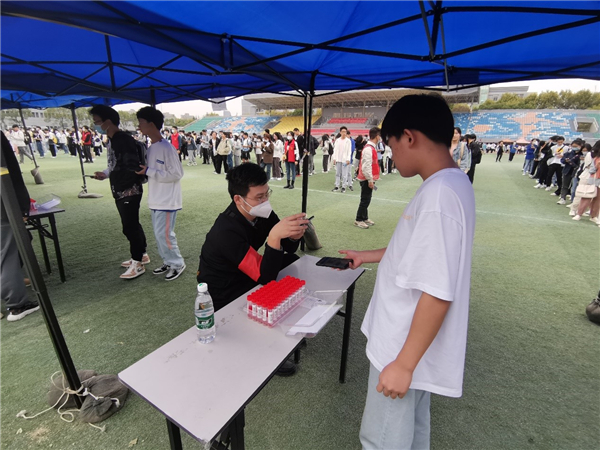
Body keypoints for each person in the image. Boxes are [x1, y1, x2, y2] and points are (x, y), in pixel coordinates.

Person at [339, 94, 475, 450]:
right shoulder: (450, 183)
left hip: (402, 344)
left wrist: (403, 363)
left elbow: (437, 289)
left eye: (391, 144)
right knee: (411, 434)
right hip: (410, 344)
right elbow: (418, 254)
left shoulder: (439, 196)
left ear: (409, 137)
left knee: (382, 439)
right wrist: (367, 255)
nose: (391, 153)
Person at [90, 105, 150, 279]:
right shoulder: (113, 140)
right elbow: (115, 164)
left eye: (98, 122)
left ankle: (137, 262)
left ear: (108, 122)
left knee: (129, 226)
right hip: (121, 189)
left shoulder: (123, 140)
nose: (97, 126)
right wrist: (106, 174)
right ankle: (141, 255)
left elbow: (132, 167)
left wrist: (123, 185)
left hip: (128, 190)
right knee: (132, 224)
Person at [135, 106, 186, 281]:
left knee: (164, 235)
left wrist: (149, 171)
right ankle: (168, 261)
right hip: (156, 199)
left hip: (167, 200)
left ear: (151, 124)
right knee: (159, 235)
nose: (139, 126)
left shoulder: (167, 148)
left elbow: (176, 174)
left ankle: (177, 263)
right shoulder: (151, 148)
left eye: (141, 122)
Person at [1, 132, 40, 322]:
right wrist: (22, 206)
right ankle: (17, 305)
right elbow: (9, 173)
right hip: (4, 206)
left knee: (14, 245)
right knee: (8, 251)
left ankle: (12, 281)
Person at [354, 127, 381, 229]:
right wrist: (370, 180)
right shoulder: (369, 149)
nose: (380, 138)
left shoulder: (370, 147)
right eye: (380, 136)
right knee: (365, 199)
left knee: (367, 198)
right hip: (366, 178)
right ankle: (358, 219)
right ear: (377, 136)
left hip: (368, 177)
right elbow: (366, 166)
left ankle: (364, 217)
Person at [557, 139, 583, 205]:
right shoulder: (569, 153)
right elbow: (562, 160)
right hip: (567, 171)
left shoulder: (581, 154)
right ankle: (562, 198)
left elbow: (579, 164)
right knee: (564, 185)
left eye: (576, 146)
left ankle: (573, 200)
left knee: (574, 187)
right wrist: (565, 160)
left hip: (576, 172)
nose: (574, 147)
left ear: (580, 146)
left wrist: (571, 162)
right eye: (573, 146)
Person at [331, 126, 352, 193]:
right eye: (342, 132)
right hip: (338, 159)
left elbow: (349, 151)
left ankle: (343, 187)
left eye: (345, 132)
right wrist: (334, 158)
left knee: (344, 174)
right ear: (340, 132)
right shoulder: (337, 140)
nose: (344, 133)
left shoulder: (348, 141)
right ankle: (337, 186)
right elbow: (335, 150)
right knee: (337, 173)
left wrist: (348, 159)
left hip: (345, 160)